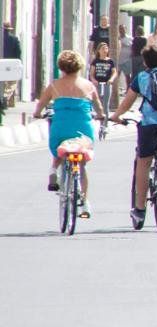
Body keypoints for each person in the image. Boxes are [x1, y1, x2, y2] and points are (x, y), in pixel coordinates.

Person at [110, 45, 157, 228]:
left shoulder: (142, 77)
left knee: (144, 162)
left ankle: (140, 210)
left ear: (145, 62)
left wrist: (116, 116)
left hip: (150, 124)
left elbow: (127, 102)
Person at [33, 50, 106, 217]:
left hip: (61, 128)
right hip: (83, 130)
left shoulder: (54, 85)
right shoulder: (88, 85)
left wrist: (37, 114)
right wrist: (101, 116)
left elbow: (40, 105)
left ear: (62, 67)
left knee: (61, 148)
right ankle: (85, 203)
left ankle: (53, 171)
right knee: (81, 165)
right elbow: (99, 107)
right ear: (79, 66)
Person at [89, 42, 117, 114]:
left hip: (106, 84)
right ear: (99, 50)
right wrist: (93, 80)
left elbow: (114, 72)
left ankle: (105, 123)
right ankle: (97, 118)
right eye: (103, 48)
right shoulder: (95, 61)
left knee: (105, 104)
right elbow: (91, 73)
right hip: (97, 84)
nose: (105, 50)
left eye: (106, 48)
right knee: (97, 103)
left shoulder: (110, 61)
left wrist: (111, 79)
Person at [2, 21, 21, 109]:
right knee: (11, 83)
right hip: (9, 65)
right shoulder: (14, 39)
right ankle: (5, 98)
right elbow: (18, 53)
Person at [117, 24, 133, 91]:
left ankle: (128, 90)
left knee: (127, 76)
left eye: (123, 29)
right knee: (116, 76)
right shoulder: (116, 38)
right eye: (120, 29)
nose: (122, 30)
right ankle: (115, 90)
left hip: (127, 60)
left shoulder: (130, 38)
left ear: (125, 29)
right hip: (118, 61)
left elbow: (133, 47)